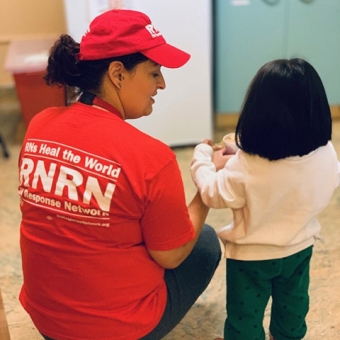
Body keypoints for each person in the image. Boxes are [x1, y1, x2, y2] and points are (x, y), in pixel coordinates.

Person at [18, 9, 221, 340]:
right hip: (116, 330)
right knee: (205, 241)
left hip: (48, 322)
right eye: (154, 72)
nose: (162, 84)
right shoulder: (151, 158)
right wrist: (207, 189)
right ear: (118, 74)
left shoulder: (40, 125)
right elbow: (171, 256)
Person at [190, 58, 340, 340]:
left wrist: (202, 158)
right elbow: (310, 176)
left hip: (251, 260)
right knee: (293, 310)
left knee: (245, 320)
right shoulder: (327, 154)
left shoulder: (245, 167)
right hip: (299, 250)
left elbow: (212, 191)